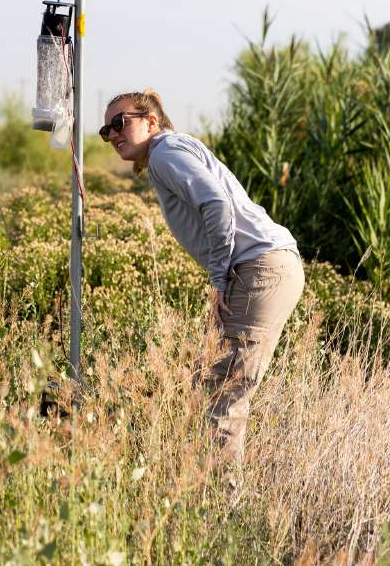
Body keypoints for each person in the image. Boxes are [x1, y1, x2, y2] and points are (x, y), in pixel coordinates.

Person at [101, 89, 304, 471]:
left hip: (259, 268)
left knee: (223, 397)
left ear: (151, 121)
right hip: (265, 266)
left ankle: (224, 514)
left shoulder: (163, 152)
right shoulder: (171, 150)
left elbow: (216, 203)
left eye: (120, 122)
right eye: (105, 130)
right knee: (212, 380)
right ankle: (213, 494)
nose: (113, 134)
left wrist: (219, 277)